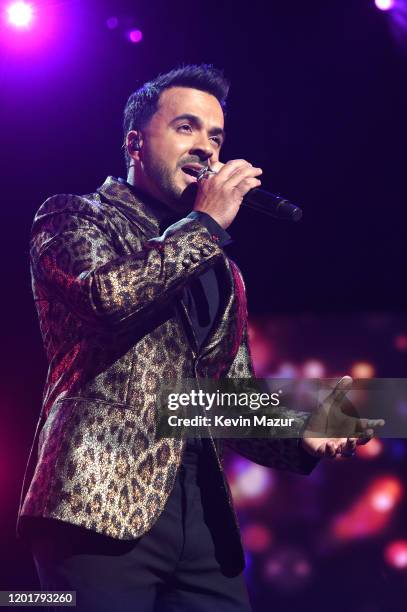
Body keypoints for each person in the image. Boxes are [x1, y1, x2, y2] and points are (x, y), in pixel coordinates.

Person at [17, 64, 382, 612]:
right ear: (135, 143)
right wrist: (206, 225)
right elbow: (107, 299)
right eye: (187, 127)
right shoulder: (73, 216)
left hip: (201, 515)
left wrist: (300, 434)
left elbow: (221, 402)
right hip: (94, 506)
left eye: (216, 136)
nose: (207, 149)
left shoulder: (222, 271)